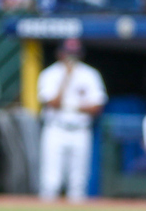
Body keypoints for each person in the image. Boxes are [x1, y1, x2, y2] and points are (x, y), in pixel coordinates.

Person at [37, 38, 106, 202]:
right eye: (68, 53)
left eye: (74, 53)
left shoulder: (90, 74)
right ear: (59, 53)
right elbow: (53, 103)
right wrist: (66, 78)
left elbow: (97, 107)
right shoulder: (50, 74)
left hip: (80, 130)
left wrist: (70, 106)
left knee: (78, 183)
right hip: (55, 129)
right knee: (50, 182)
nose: (71, 57)